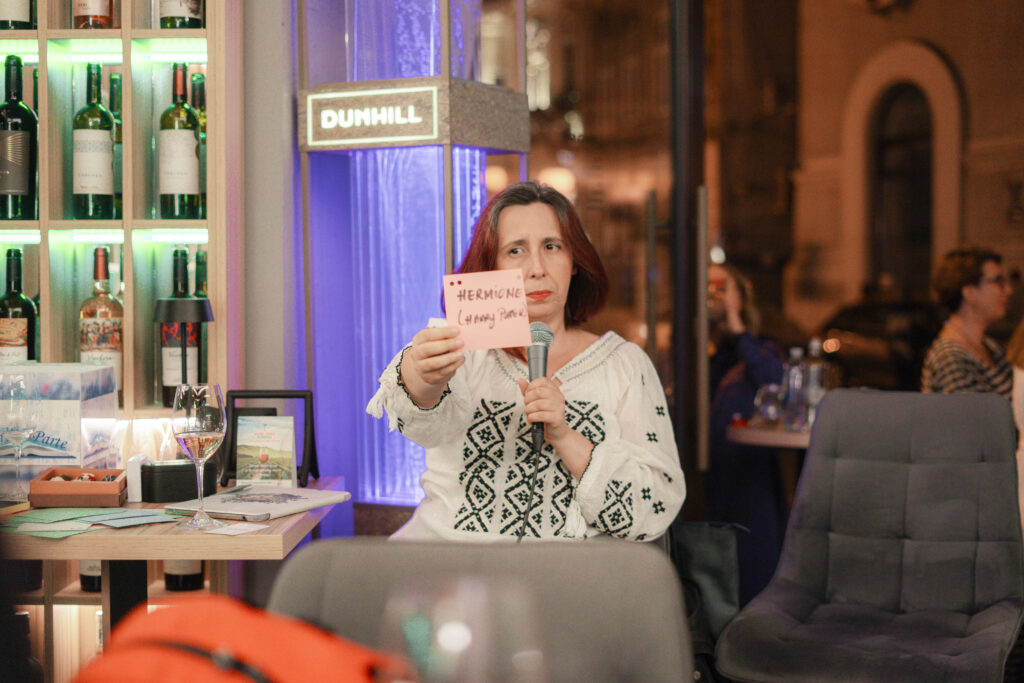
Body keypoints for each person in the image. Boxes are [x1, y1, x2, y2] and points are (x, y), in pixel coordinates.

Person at [367, 181, 684, 541]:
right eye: (515, 250)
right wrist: (419, 376)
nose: (536, 268)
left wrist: (565, 436)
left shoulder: (624, 365)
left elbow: (656, 504)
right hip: (447, 560)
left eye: (552, 246)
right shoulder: (463, 351)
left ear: (575, 261)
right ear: (493, 266)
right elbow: (426, 426)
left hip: (567, 571)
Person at [704, 263, 787, 605]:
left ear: (739, 296)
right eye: (708, 287)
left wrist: (736, 323)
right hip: (713, 470)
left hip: (752, 469)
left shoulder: (762, 345)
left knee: (755, 555)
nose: (714, 294)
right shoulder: (707, 352)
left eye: (722, 287)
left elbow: (774, 381)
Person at [921, 246, 1012, 399]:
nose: (1008, 290)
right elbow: (979, 414)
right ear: (969, 293)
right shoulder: (950, 358)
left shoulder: (991, 347)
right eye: (998, 281)